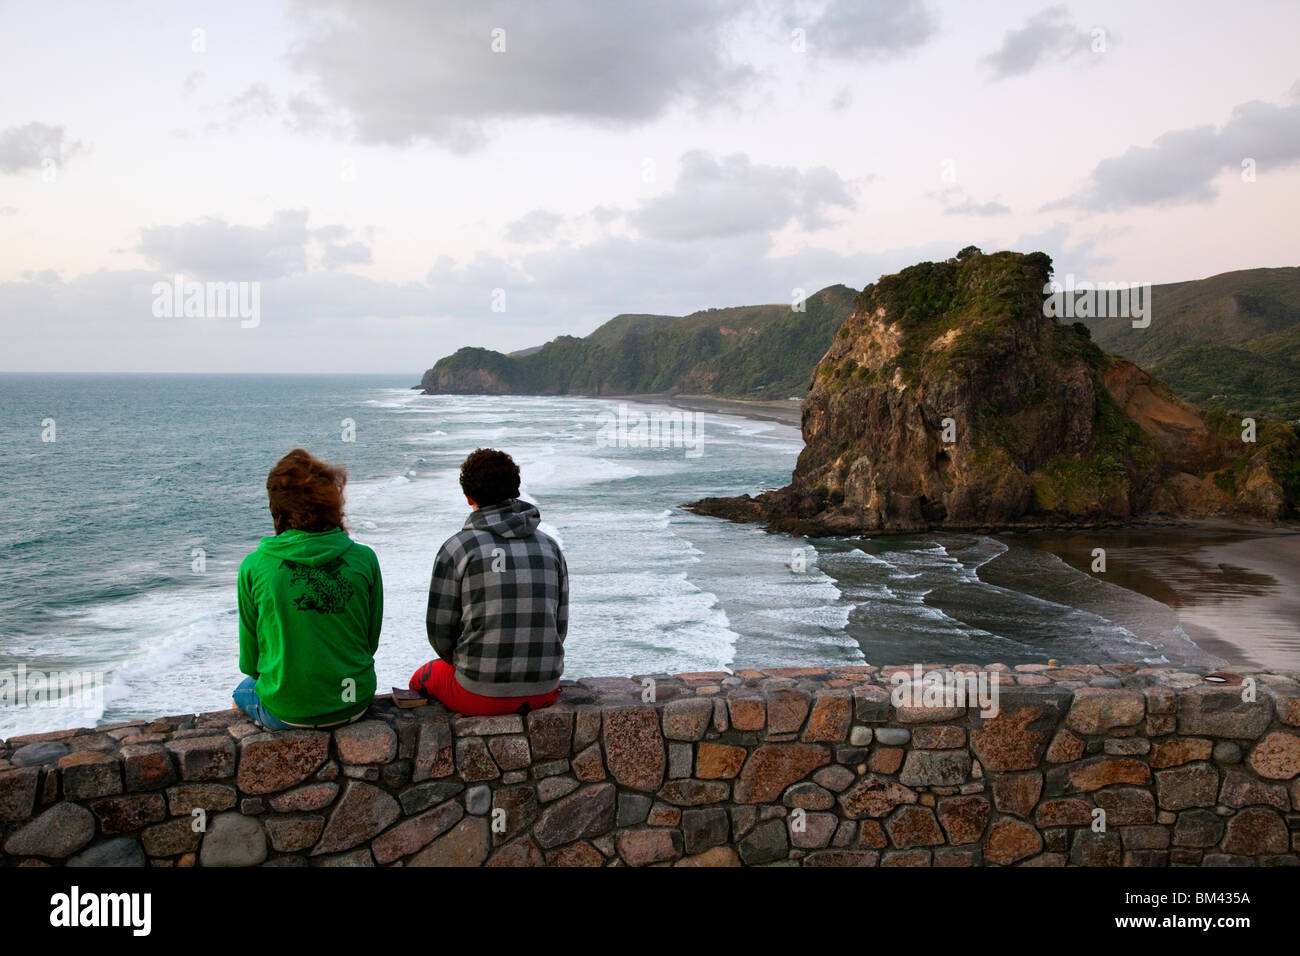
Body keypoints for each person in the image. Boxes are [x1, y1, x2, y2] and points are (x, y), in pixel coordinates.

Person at [410, 448, 567, 716]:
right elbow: (559, 626)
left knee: (421, 677)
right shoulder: (550, 547)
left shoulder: (457, 548)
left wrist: (467, 663)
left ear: (468, 497)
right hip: (545, 689)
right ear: (515, 490)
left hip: (479, 693)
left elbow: (439, 632)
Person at [233, 448, 383, 729]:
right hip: (354, 701)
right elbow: (368, 642)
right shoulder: (364, 559)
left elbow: (250, 663)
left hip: (287, 711)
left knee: (241, 692)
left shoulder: (254, 566)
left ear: (277, 507)